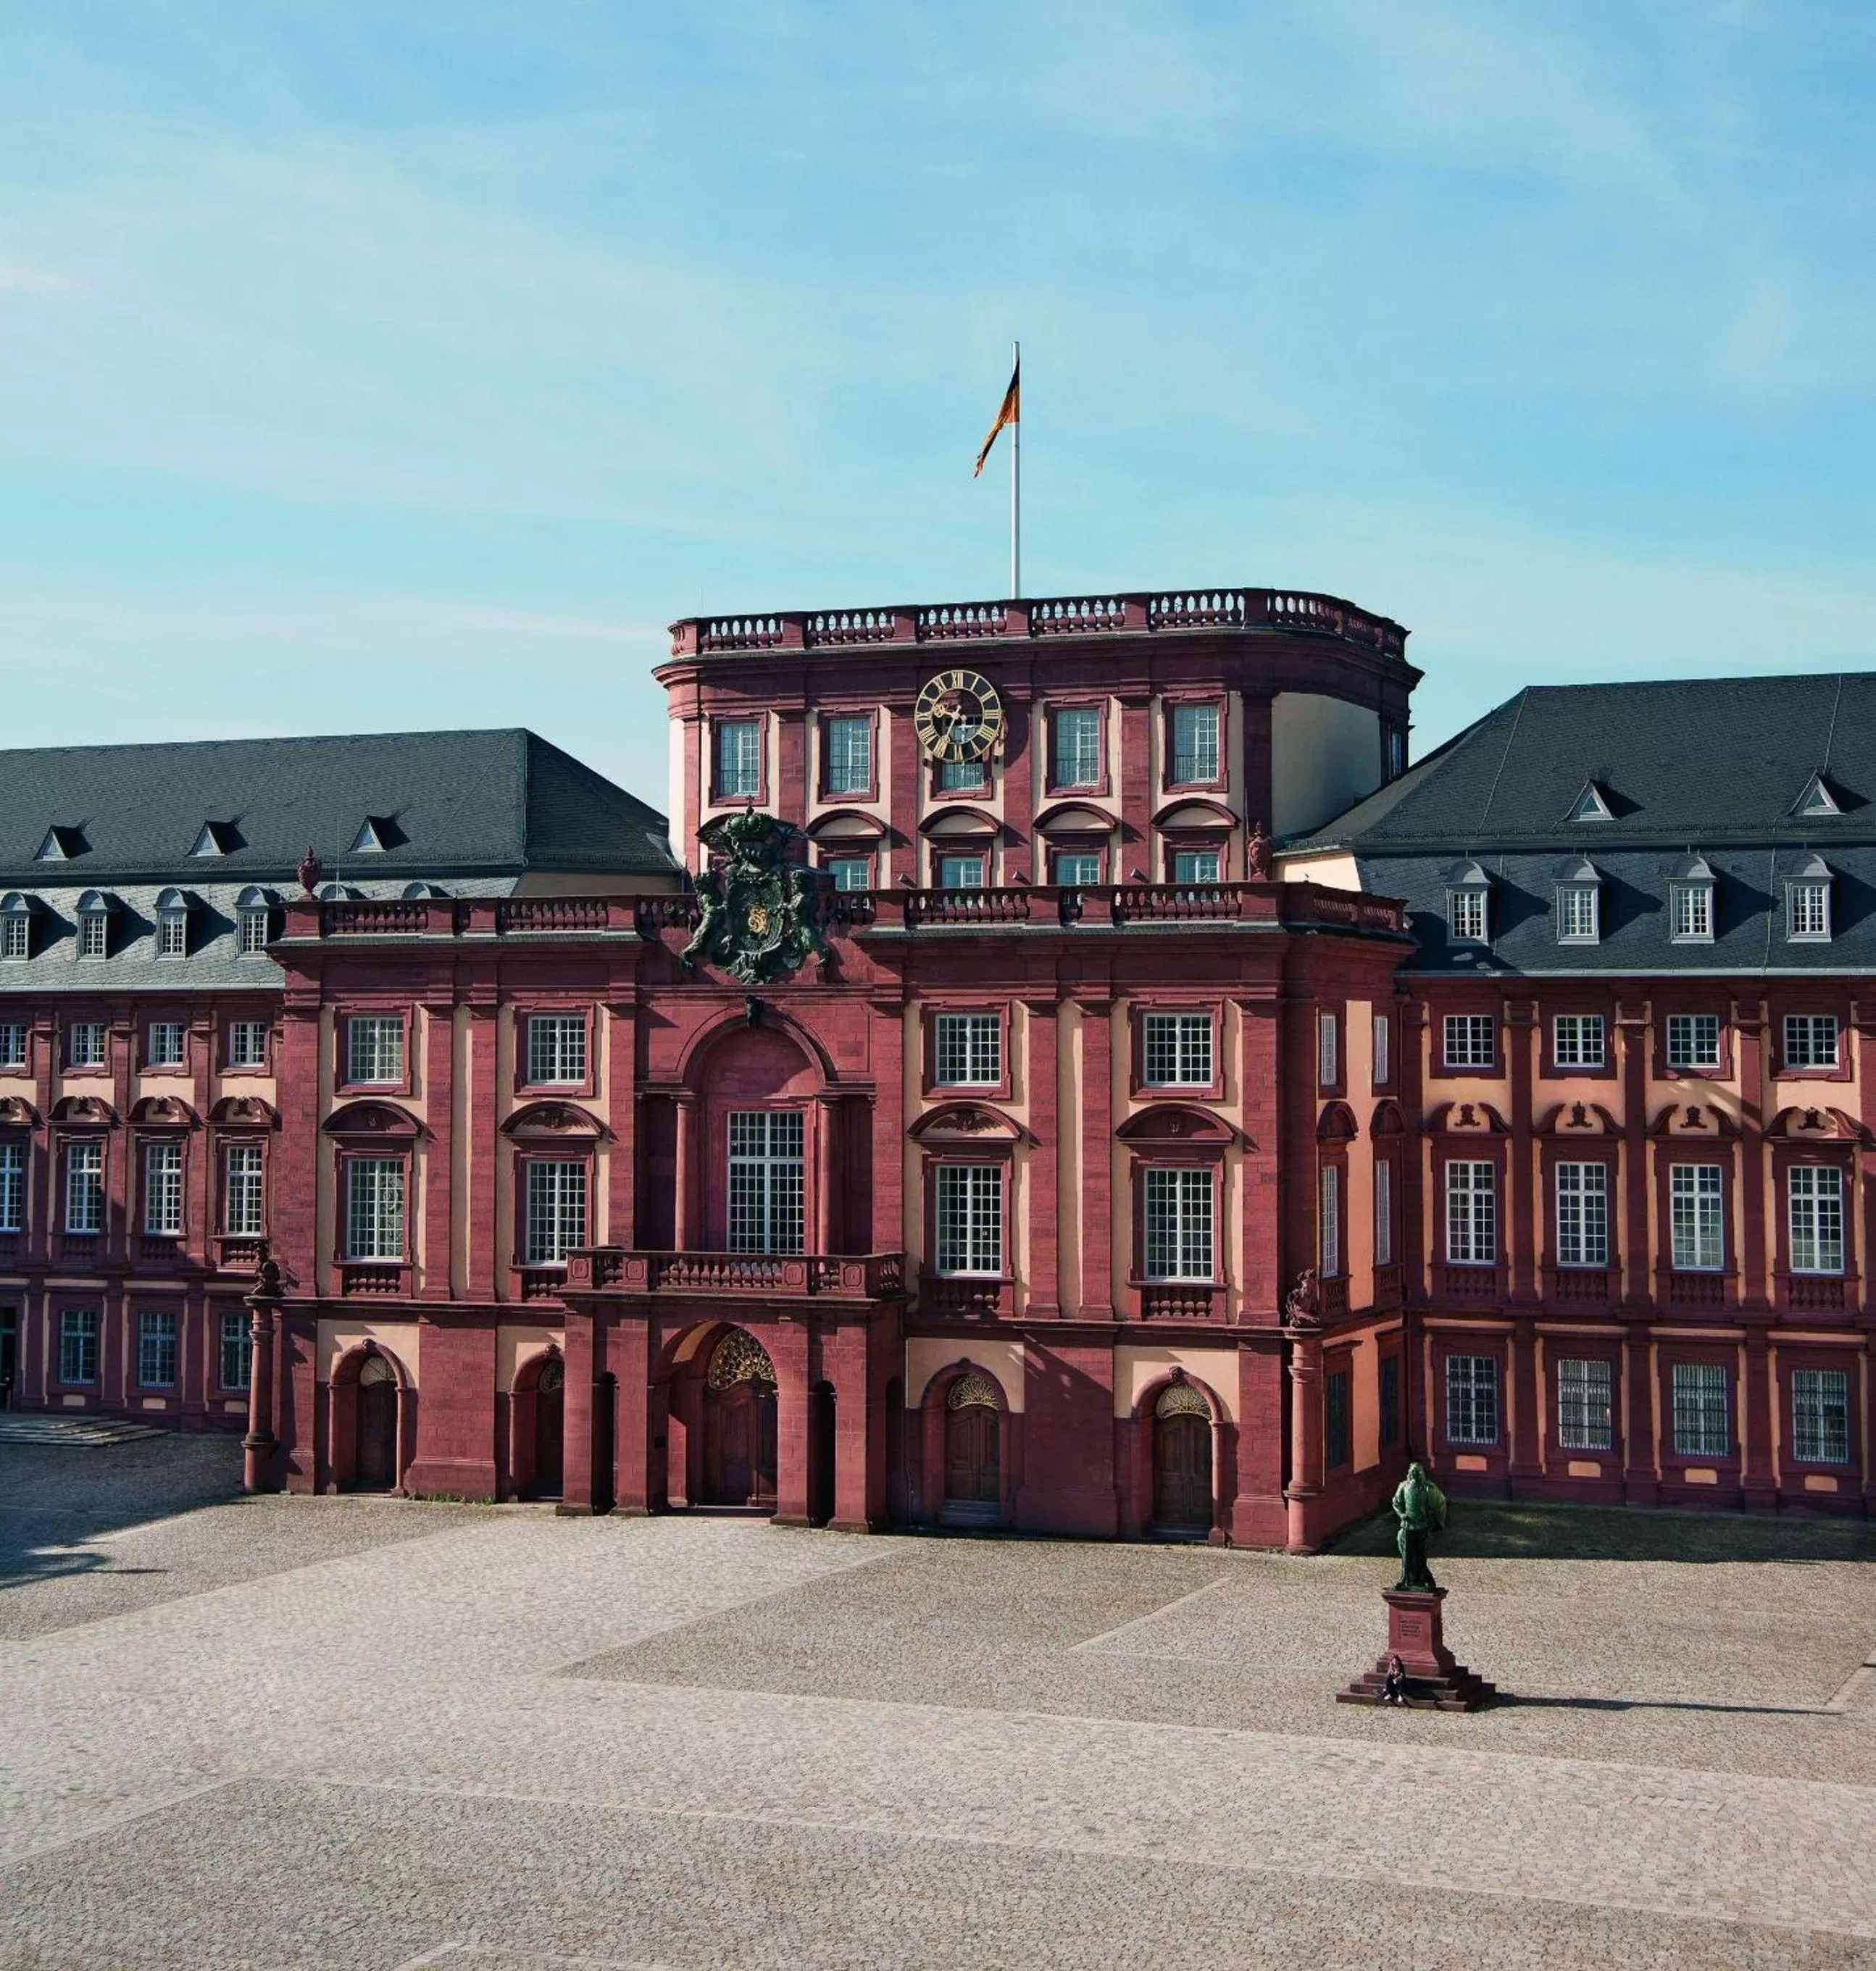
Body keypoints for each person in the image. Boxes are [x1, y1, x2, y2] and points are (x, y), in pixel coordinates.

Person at [1391, 1460, 1448, 1592]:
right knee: (1407, 1555)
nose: (1415, 1474)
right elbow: (1396, 1503)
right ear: (1409, 1473)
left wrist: (1435, 1520)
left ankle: (1425, 1579)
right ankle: (1404, 1578)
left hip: (1422, 1526)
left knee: (1421, 1555)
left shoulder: (1428, 1488)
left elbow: (1440, 1502)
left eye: (1418, 1471)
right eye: (1413, 1471)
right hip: (1408, 1526)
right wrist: (1401, 1514)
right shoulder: (1404, 1487)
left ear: (1422, 1473)